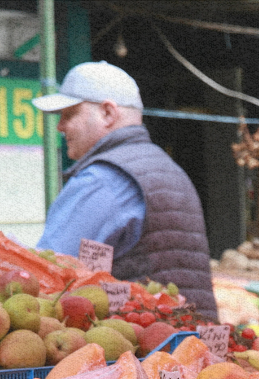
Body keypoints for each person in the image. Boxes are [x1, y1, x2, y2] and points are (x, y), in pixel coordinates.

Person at [32, 61, 216, 317]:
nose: (59, 126)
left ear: (108, 113)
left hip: (141, 352)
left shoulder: (102, 179)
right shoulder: (169, 168)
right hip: (191, 343)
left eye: (69, 114)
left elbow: (47, 274)